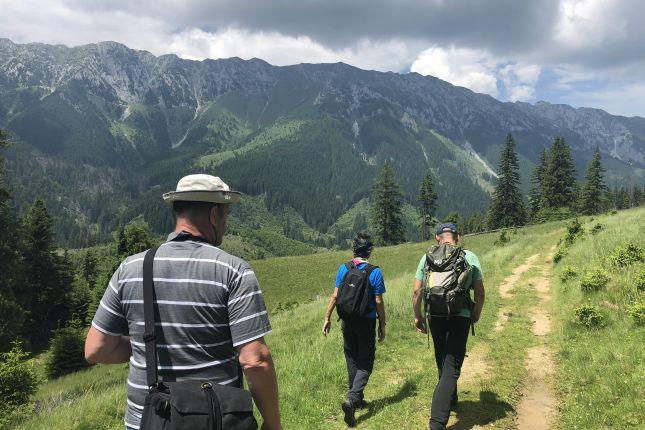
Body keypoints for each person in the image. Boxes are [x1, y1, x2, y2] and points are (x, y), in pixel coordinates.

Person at [85, 174, 281, 430]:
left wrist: (148, 342)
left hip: (147, 422)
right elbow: (254, 360)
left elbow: (95, 350)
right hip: (215, 419)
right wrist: (273, 423)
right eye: (226, 215)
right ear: (213, 215)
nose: (226, 224)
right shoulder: (234, 271)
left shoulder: (129, 268)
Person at [412, 223, 485, 430]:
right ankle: (437, 423)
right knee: (451, 366)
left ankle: (450, 398)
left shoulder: (426, 258)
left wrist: (418, 316)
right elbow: (479, 292)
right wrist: (476, 313)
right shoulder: (469, 257)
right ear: (457, 237)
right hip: (460, 316)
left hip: (435, 315)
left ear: (437, 238)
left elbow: (417, 292)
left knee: (442, 358)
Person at [322, 232, 386, 427]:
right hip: (366, 322)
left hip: (347, 320)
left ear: (354, 249)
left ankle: (356, 399)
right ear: (370, 251)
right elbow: (378, 301)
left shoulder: (344, 268)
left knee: (351, 358)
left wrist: (327, 317)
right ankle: (352, 399)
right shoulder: (374, 271)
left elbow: (334, 296)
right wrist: (382, 325)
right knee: (366, 362)